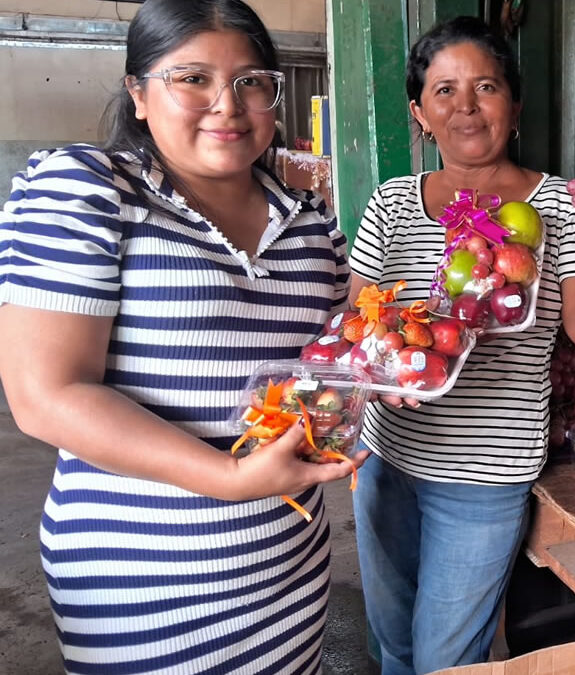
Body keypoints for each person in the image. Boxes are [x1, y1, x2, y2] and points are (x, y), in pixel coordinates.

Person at [0, 1, 366, 672]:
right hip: (141, 579)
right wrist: (228, 476)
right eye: (191, 78)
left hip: (289, 563)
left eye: (252, 81)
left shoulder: (311, 221)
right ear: (139, 93)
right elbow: (44, 394)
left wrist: (381, 377)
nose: (227, 105)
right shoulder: (86, 189)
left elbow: (332, 364)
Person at [347, 15, 575, 675]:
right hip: (387, 459)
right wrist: (387, 366)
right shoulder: (391, 204)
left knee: (447, 660)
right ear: (419, 113)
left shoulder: (562, 206)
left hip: (485, 476)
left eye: (486, 86)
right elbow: (360, 319)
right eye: (444, 91)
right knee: (394, 644)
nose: (465, 106)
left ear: (514, 106)